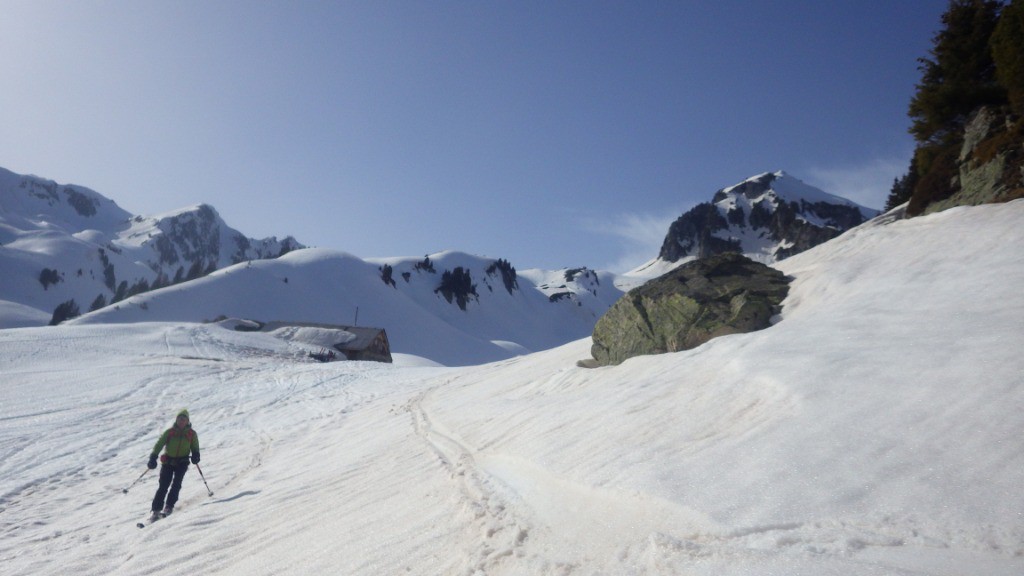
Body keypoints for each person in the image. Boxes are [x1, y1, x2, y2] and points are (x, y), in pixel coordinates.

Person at [147, 408, 201, 517]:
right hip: (168, 461)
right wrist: (153, 456)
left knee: (176, 484)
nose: (181, 421)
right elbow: (159, 444)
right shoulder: (170, 432)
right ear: (176, 420)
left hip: (182, 462)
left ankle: (169, 506)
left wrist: (196, 455)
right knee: (163, 485)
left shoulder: (191, 434)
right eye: (179, 419)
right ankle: (156, 509)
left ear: (187, 421)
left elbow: (195, 447)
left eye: (184, 419)